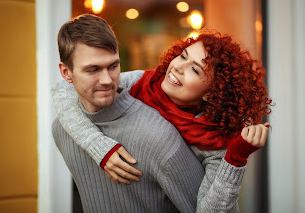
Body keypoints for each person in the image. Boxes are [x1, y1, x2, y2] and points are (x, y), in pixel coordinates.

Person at [53, 15, 274, 212]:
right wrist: (99, 147)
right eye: (183, 56)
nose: (178, 67)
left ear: (211, 93)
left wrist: (235, 157)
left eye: (195, 69)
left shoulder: (214, 141)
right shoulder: (145, 82)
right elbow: (65, 90)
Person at [52, 13, 208, 213]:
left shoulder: (158, 136)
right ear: (66, 73)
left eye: (113, 66)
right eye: (93, 70)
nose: (107, 80)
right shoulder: (61, 129)